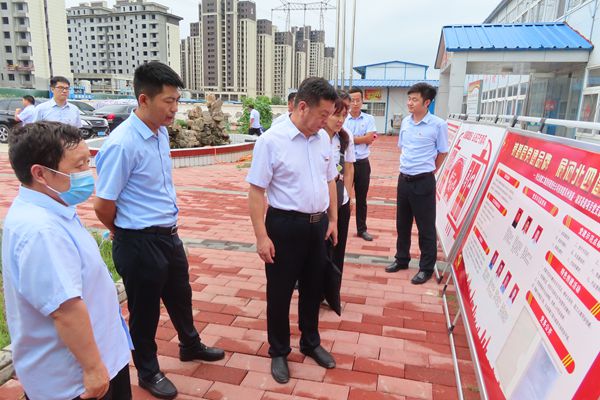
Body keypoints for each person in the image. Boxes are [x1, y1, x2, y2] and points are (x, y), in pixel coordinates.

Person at [94, 62, 224, 400]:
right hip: (138, 241)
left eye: (177, 100)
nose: (175, 108)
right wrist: (123, 231)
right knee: (145, 311)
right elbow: (103, 205)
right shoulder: (122, 144)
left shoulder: (160, 132)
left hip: (168, 235)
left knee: (181, 295)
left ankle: (190, 345)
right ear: (144, 99)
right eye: (168, 101)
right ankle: (148, 371)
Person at [2, 122, 132, 400]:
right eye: (78, 165)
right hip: (76, 380)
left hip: (102, 357)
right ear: (40, 173)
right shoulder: (42, 230)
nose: (87, 172)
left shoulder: (54, 208)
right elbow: (65, 309)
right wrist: (93, 369)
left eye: (88, 162)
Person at [247, 77, 339, 384]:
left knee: (313, 287)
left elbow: (330, 180)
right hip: (285, 226)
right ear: (302, 107)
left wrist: (333, 220)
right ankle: (279, 350)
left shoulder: (323, 139)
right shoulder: (271, 141)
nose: (327, 121)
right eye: (323, 114)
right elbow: (256, 191)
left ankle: (310, 342)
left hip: (318, 226)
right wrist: (261, 236)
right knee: (280, 291)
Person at [386, 82, 448, 285]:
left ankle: (426, 268)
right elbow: (403, 147)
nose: (410, 103)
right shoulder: (406, 122)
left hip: (423, 181)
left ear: (427, 102)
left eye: (414, 99)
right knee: (402, 223)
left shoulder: (438, 125)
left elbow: (442, 152)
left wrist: (429, 170)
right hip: (404, 179)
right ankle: (401, 259)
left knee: (425, 227)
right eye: (409, 99)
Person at [324, 92, 355, 276]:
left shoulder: (345, 137)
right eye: (337, 115)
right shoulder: (315, 136)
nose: (341, 120)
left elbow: (349, 168)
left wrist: (348, 196)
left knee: (338, 246)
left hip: (340, 200)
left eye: (344, 115)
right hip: (320, 204)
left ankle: (333, 285)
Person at [345, 87, 376, 241]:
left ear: (363, 101)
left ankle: (361, 229)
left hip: (363, 164)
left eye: (358, 100)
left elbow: (369, 138)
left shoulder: (369, 119)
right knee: (343, 197)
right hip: (346, 164)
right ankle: (340, 227)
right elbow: (342, 139)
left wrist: (351, 138)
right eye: (352, 100)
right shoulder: (343, 118)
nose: (355, 103)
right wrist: (360, 138)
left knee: (362, 199)